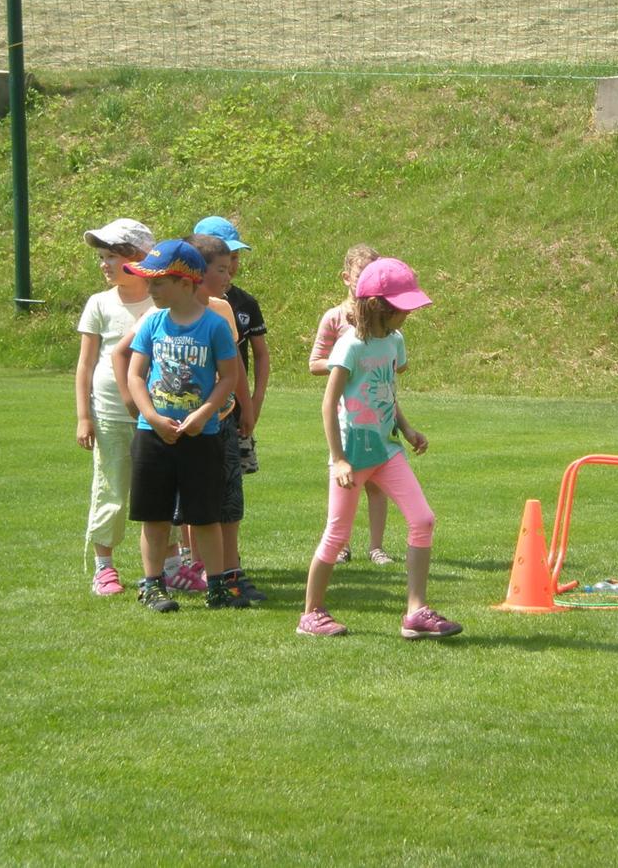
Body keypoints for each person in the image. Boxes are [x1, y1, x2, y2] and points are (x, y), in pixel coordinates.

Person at [298, 257, 462, 639]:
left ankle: (416, 611)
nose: (408, 315)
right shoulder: (350, 346)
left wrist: (406, 428)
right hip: (353, 455)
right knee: (336, 535)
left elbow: (386, 389)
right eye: (403, 308)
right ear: (378, 306)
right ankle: (311, 614)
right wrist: (338, 459)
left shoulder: (394, 342)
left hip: (387, 450)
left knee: (422, 520)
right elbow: (329, 403)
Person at [124, 239, 241, 612]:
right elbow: (135, 375)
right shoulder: (152, 322)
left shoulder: (213, 326)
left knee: (204, 517)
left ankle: (218, 586)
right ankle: (153, 584)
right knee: (154, 516)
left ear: (186, 283)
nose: (151, 289)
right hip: (153, 435)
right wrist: (152, 417)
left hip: (200, 436)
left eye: (158, 282)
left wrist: (203, 414)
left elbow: (228, 377)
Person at [74, 217, 156, 596]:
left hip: (158, 413)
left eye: (112, 256)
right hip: (110, 413)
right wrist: (83, 416)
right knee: (111, 487)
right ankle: (104, 566)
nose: (104, 264)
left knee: (159, 490)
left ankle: (167, 563)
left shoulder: (162, 301)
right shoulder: (99, 304)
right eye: (101, 257)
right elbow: (86, 365)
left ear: (139, 258)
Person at [308, 244, 396, 566]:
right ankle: (340, 544)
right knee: (346, 482)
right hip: (347, 416)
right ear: (347, 277)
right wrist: (345, 363)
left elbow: (392, 362)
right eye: (362, 276)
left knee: (376, 484)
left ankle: (377, 546)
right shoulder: (334, 317)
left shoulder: (384, 319)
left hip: (376, 412)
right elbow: (314, 362)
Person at [194, 216, 269, 476]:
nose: (232, 266)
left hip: (233, 408)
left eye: (235, 258)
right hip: (195, 407)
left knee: (230, 484)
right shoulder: (177, 305)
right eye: (225, 261)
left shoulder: (244, 303)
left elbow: (258, 355)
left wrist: (253, 400)